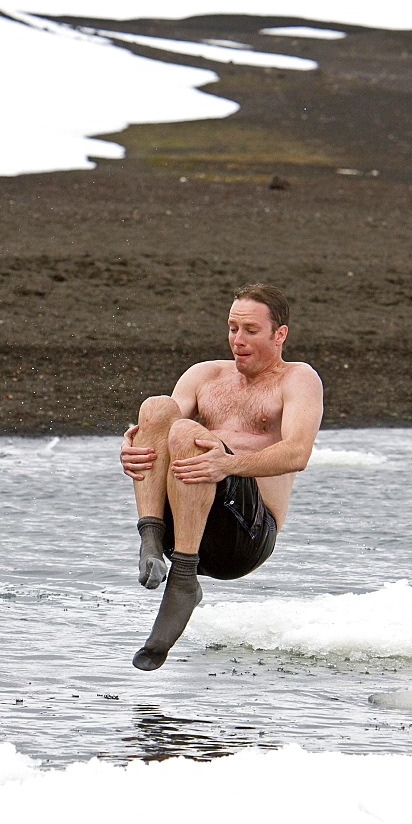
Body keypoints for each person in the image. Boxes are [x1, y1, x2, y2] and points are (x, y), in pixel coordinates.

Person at [120, 282, 323, 671]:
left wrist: (229, 464)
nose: (238, 340)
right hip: (185, 524)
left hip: (245, 538)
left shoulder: (297, 379)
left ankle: (182, 581)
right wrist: (134, 446)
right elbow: (157, 426)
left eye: (250, 331)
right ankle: (150, 538)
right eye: (233, 328)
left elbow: (298, 453)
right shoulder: (205, 375)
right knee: (157, 408)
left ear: (279, 335)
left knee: (185, 432)